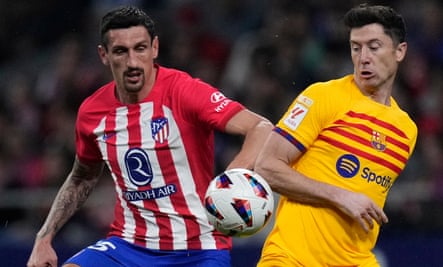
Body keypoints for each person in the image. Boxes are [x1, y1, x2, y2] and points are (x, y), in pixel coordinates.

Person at [27, 5, 273, 267]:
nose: (132, 62)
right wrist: (44, 238)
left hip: (198, 248)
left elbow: (261, 127)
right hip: (127, 245)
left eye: (140, 48)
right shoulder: (92, 112)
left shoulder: (184, 91)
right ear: (104, 55)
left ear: (154, 48)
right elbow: (82, 178)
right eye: (121, 51)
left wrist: (231, 176)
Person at [254, 4, 417, 267]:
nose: (363, 57)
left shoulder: (406, 131)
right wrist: (339, 195)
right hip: (292, 258)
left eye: (374, 47)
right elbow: (267, 167)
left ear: (400, 51)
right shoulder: (322, 97)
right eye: (356, 47)